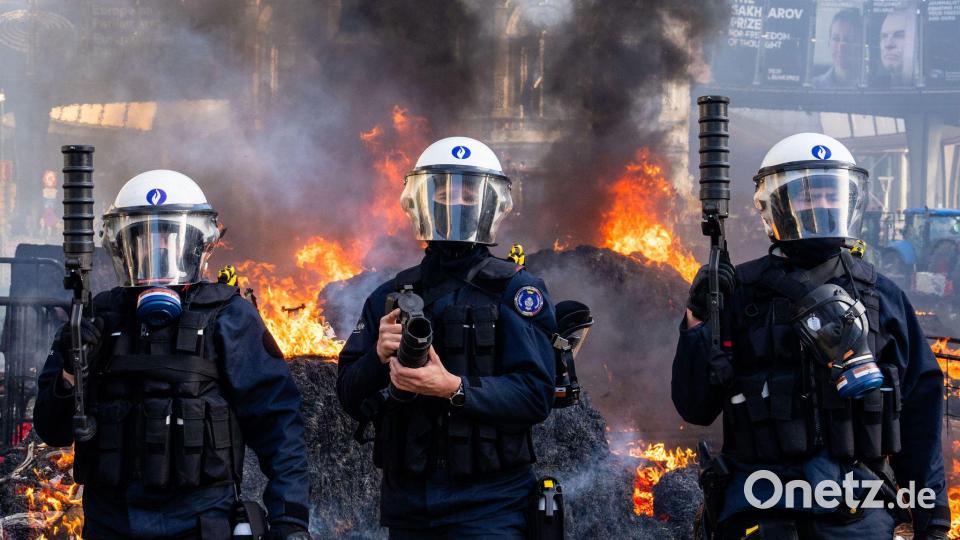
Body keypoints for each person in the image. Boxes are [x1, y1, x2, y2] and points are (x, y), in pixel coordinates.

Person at [673, 133, 950, 539]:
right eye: (807, 194)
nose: (821, 204)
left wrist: (933, 521)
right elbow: (695, 407)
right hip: (759, 508)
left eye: (830, 193)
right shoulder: (739, 294)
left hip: (857, 515)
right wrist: (697, 319)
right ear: (776, 205)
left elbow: (920, 422)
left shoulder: (883, 298)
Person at [34, 170, 312, 540]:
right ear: (124, 246)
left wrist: (290, 520)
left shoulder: (229, 317)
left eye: (169, 235)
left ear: (197, 243)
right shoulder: (95, 317)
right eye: (144, 237)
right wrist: (70, 373)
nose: (159, 248)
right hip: (111, 522)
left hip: (200, 523)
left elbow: (278, 424)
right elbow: (51, 430)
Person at [337, 136, 556, 538]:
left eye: (469, 194)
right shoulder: (389, 296)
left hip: (491, 509)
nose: (456, 203)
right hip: (409, 509)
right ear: (422, 202)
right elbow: (350, 397)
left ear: (490, 203)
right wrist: (377, 357)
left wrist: (454, 388)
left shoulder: (515, 292)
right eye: (444, 192)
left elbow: (535, 394)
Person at [812, 9, 862, 89]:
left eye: (848, 40)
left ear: (860, 45)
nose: (841, 47)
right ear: (829, 42)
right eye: (836, 39)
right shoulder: (814, 86)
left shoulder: (871, 86)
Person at [875, 9, 916, 87]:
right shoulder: (873, 88)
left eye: (899, 35)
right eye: (884, 36)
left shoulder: (933, 88)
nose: (888, 45)